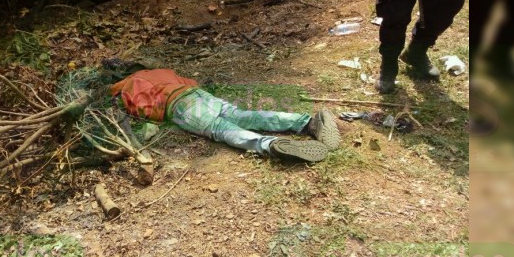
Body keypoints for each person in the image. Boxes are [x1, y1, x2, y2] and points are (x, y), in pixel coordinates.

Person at [109, 69, 340, 163]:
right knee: (242, 115)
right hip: (197, 93)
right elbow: (188, 81)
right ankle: (307, 122)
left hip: (180, 106)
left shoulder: (128, 87)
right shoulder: (158, 71)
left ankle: (270, 145)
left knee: (221, 129)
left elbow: (141, 110)